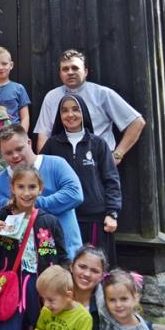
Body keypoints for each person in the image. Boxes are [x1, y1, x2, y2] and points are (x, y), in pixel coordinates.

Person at [0, 165, 68, 330]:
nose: (26, 192)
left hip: (41, 286)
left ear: (40, 188)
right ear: (12, 188)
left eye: (32, 187)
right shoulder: (1, 217)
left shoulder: (49, 221)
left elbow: (61, 256)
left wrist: (62, 282)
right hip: (10, 285)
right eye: (21, 187)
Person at [38, 246, 163, 330]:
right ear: (72, 266)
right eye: (82, 267)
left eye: (94, 271)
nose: (87, 274)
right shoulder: (58, 296)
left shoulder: (110, 302)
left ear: (102, 276)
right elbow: (45, 327)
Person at [41, 94, 122, 264]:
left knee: (94, 267)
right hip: (62, 217)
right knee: (66, 266)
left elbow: (111, 180)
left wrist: (112, 213)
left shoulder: (98, 144)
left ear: (83, 112)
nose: (70, 114)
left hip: (95, 218)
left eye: (75, 109)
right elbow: (39, 178)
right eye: (64, 111)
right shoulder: (51, 145)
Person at [0, 124, 84, 258]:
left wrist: (29, 203)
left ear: (29, 142)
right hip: (21, 260)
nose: (15, 155)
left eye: (19, 149)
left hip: (65, 254)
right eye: (8, 153)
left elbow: (75, 194)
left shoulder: (56, 164)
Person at [34, 49, 146, 159]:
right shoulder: (51, 97)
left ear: (86, 72)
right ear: (60, 74)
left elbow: (137, 122)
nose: (70, 72)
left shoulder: (102, 94)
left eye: (75, 68)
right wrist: (44, 163)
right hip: (62, 161)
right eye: (65, 69)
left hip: (98, 160)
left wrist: (117, 155)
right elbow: (44, 134)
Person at [27, 265, 92, 330]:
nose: (45, 304)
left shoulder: (83, 318)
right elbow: (40, 329)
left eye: (51, 300)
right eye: (43, 299)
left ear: (68, 296)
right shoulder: (46, 310)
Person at [0, 46, 31, 129]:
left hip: (14, 133)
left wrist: (22, 134)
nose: (0, 67)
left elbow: (25, 117)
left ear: (11, 65)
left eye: (4, 64)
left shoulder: (18, 88)